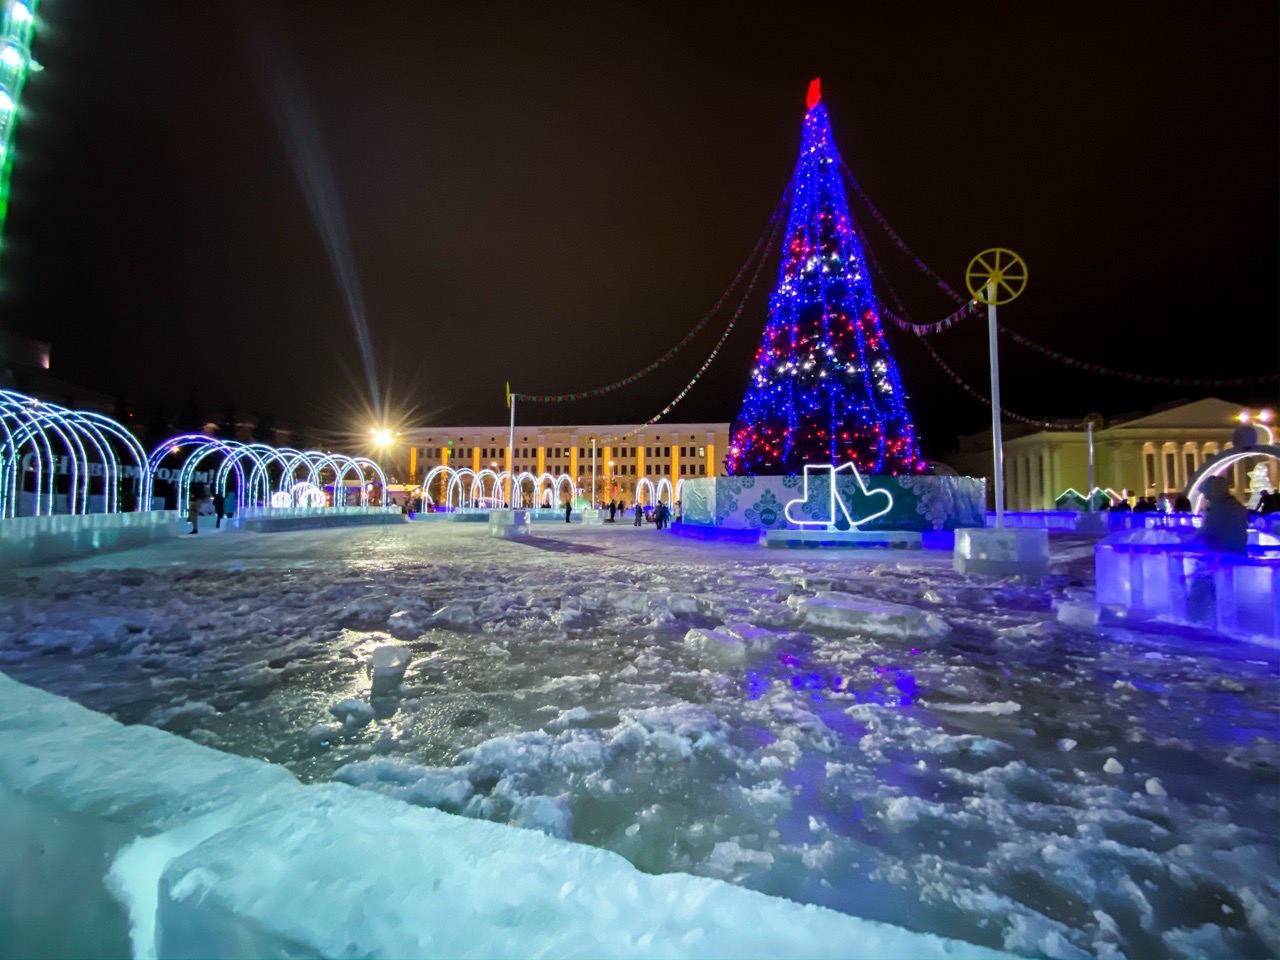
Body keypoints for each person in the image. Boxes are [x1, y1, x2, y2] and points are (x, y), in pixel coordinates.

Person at [1197, 475, 1248, 554]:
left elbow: (1207, 531)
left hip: (1222, 556)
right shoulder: (1236, 506)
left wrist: (1185, 539)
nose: (1207, 498)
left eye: (1208, 495)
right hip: (1235, 555)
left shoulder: (1220, 509)